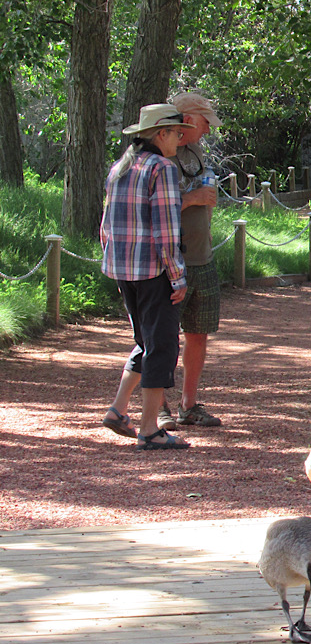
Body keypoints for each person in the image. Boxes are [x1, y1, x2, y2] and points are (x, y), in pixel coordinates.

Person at [99, 103, 193, 449]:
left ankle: (117, 410)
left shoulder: (120, 167)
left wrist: (113, 259)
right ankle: (150, 429)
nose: (180, 139)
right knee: (163, 346)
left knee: (145, 341)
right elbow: (166, 231)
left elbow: (106, 224)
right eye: (176, 132)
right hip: (154, 271)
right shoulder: (162, 168)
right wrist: (177, 276)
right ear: (160, 134)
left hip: (124, 269)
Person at [157, 91, 224, 430]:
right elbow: (153, 207)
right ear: (186, 120)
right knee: (162, 336)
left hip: (202, 258)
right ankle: (158, 406)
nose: (208, 131)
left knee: (198, 333)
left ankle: (189, 404)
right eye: (205, 123)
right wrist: (193, 198)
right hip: (169, 262)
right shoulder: (159, 153)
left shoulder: (195, 153)